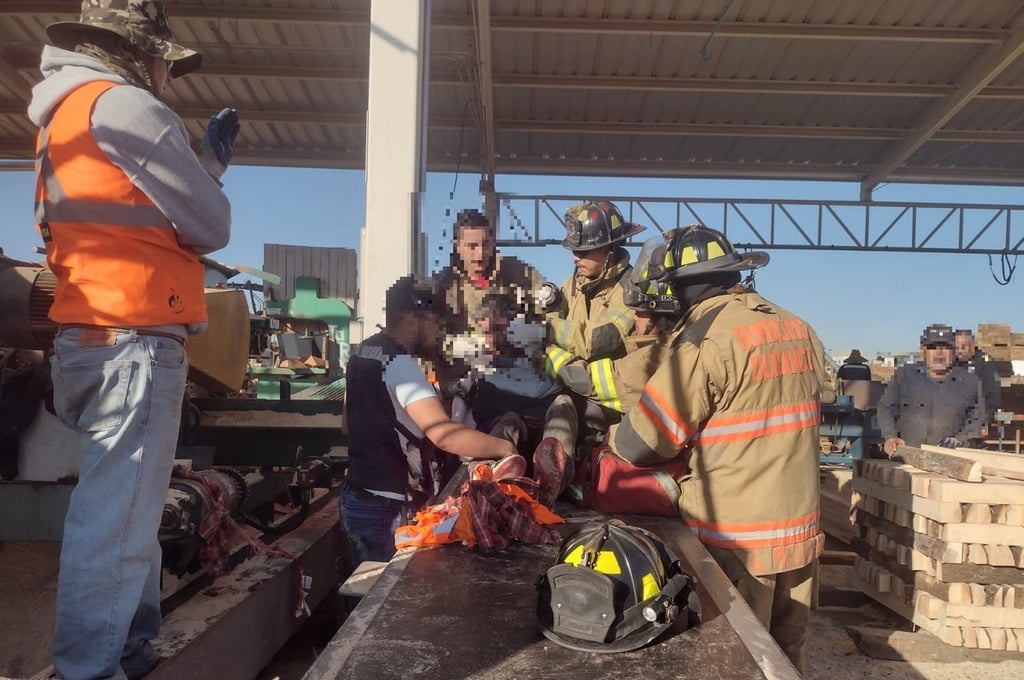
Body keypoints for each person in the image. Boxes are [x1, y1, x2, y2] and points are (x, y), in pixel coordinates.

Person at [28, 2, 235, 678]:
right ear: (131, 52)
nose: (167, 81)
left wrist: (199, 162)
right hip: (134, 341)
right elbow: (211, 224)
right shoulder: (128, 108)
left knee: (129, 511)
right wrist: (208, 166)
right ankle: (90, 667)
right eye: (161, 64)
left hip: (88, 339)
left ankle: (131, 647)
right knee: (115, 524)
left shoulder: (62, 118)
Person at [611, 225, 829, 672]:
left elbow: (643, 440)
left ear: (677, 286)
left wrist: (610, 436)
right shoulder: (796, 325)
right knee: (784, 662)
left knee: (729, 664)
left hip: (737, 544)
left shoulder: (704, 341)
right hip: (801, 537)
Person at [341, 276, 519, 566]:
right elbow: (444, 435)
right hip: (390, 508)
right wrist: (505, 449)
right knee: (387, 600)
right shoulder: (399, 365)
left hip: (357, 499)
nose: (439, 333)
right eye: (436, 323)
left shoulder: (362, 353)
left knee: (361, 590)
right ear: (413, 318)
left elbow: (347, 425)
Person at [545, 200, 645, 366]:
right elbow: (552, 314)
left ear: (609, 249)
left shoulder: (631, 289)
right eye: (574, 251)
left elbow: (602, 340)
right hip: (572, 379)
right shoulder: (573, 284)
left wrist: (546, 329)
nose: (575, 258)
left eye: (583, 252)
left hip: (608, 386)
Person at [435, 208, 545, 336]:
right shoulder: (444, 286)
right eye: (472, 246)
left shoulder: (518, 273)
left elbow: (548, 308)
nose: (480, 253)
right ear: (457, 246)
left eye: (486, 244)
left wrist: (532, 331)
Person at [878, 324, 984, 456]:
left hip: (949, 459)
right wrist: (890, 436)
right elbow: (886, 407)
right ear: (923, 350)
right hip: (906, 456)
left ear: (954, 351)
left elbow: (976, 419)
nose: (939, 353)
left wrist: (960, 440)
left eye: (946, 348)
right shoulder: (904, 376)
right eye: (933, 347)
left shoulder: (969, 382)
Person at [954, 328, 1001, 428]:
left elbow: (993, 394)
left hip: (976, 416)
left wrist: (986, 418)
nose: (959, 351)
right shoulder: (953, 363)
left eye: (963, 347)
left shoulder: (985, 363)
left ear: (973, 345)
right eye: (956, 348)